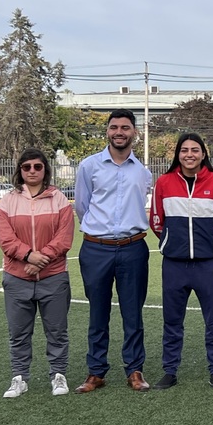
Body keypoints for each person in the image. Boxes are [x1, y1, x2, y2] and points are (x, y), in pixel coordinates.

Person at [149, 133, 213, 390]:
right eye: (184, 150)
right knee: (172, 320)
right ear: (178, 154)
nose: (190, 154)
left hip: (207, 264)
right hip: (174, 265)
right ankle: (170, 370)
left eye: (195, 150)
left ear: (203, 154)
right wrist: (172, 242)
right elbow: (156, 220)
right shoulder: (164, 182)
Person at [74, 108, 154, 393]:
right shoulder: (89, 166)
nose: (119, 132)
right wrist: (102, 232)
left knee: (133, 312)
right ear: (107, 131)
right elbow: (82, 207)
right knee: (98, 312)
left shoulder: (143, 172)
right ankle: (96, 371)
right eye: (114, 127)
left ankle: (134, 370)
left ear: (134, 132)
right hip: (96, 249)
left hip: (133, 248)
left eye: (125, 127)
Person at [0, 149, 75, 398]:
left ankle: (58, 376)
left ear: (45, 170)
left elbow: (64, 237)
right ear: (20, 170)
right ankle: (19, 378)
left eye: (37, 167)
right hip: (17, 277)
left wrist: (41, 259)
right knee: (18, 333)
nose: (32, 171)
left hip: (53, 277)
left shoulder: (59, 199)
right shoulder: (8, 200)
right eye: (26, 166)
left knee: (57, 331)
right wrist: (29, 255)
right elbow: (5, 238)